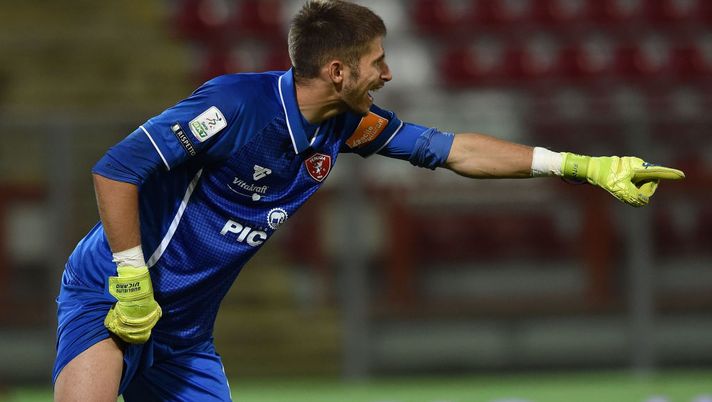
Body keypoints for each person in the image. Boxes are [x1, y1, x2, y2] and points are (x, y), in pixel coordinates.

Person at [52, 0, 685, 400]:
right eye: (376, 63)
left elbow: (451, 149)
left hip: (186, 330)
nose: (387, 73)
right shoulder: (235, 105)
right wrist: (132, 278)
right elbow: (115, 170)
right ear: (337, 72)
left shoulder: (346, 125)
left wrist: (578, 165)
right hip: (114, 295)